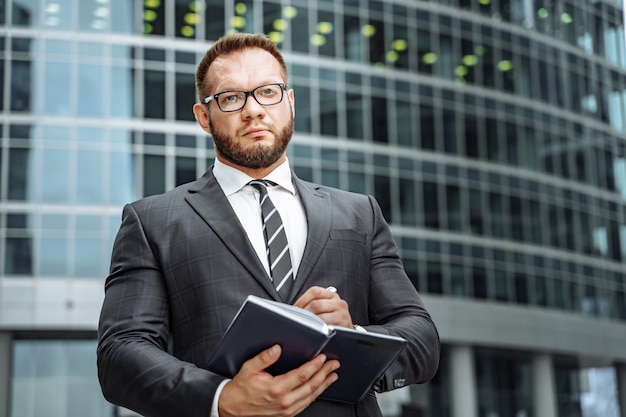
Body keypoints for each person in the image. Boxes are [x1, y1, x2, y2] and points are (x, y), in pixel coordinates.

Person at [97, 32, 440, 417]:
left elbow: (422, 337)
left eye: (268, 92)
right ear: (203, 117)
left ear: (289, 102)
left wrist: (356, 337)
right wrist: (221, 398)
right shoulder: (152, 221)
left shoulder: (359, 213)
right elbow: (120, 352)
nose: (254, 110)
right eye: (231, 98)